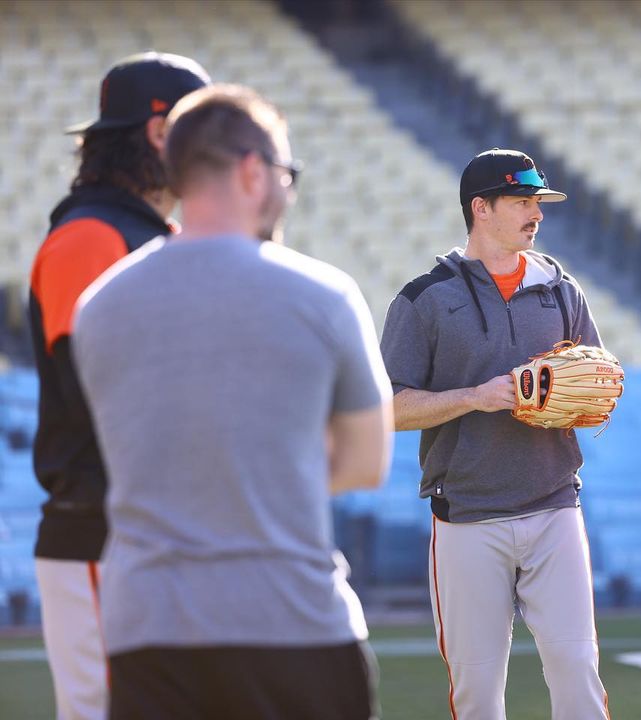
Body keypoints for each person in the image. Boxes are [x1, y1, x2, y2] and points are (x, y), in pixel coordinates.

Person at [71, 84, 392, 719]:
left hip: (148, 630)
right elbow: (365, 463)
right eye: (286, 172)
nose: (288, 190)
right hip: (291, 622)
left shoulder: (99, 305)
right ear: (252, 171)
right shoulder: (323, 296)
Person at [380, 148, 610, 720]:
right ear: (480, 208)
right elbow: (386, 408)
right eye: (522, 201)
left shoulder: (563, 290)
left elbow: (599, 383)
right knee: (477, 694)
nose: (537, 213)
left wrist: (575, 400)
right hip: (467, 517)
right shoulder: (423, 299)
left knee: (579, 675)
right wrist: (474, 397)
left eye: (538, 202)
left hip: (554, 507)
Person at [26, 51, 209, 720]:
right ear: (160, 133)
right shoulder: (89, 237)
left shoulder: (164, 236)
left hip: (163, 533)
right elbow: (104, 398)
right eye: (207, 132)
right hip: (106, 533)